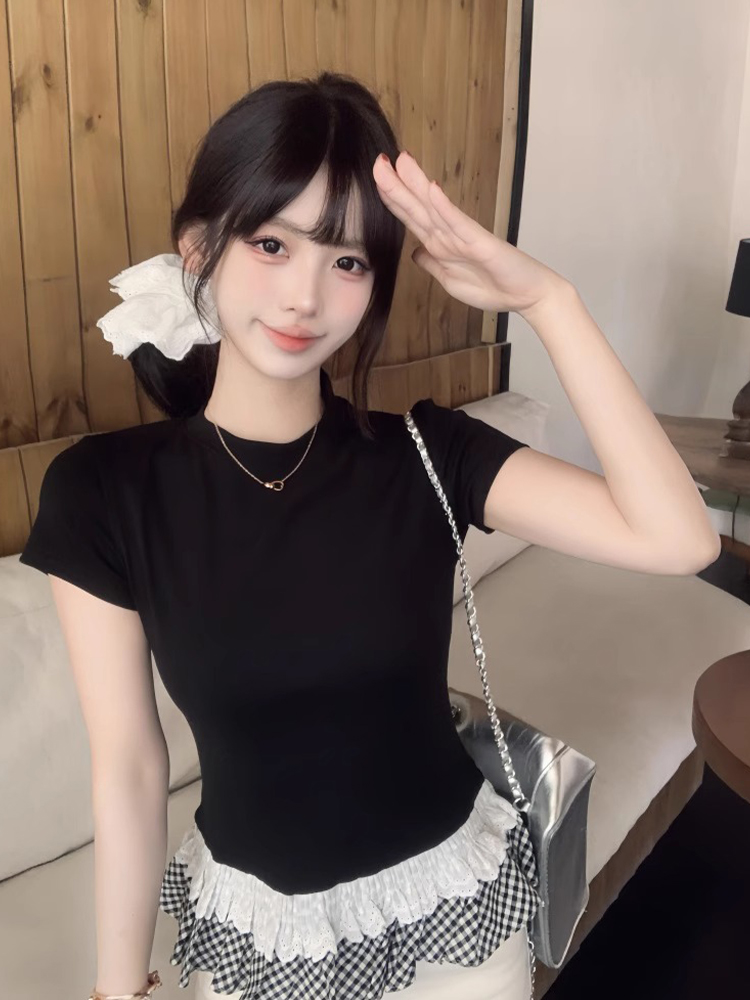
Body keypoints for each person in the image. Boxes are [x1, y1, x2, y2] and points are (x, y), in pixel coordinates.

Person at [20, 72, 550, 1000]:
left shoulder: (429, 453)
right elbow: (131, 767)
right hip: (259, 943)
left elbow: (677, 537)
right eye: (272, 243)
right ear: (200, 250)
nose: (305, 297)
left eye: (348, 261)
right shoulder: (104, 491)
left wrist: (545, 299)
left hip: (459, 920)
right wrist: (118, 989)